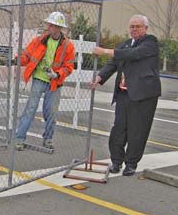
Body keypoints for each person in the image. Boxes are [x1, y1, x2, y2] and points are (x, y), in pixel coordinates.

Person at [90, 14, 161, 176]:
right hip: (124, 94)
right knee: (118, 129)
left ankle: (131, 163)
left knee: (138, 130)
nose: (134, 29)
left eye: (138, 26)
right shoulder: (126, 44)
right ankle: (116, 161)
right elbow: (113, 63)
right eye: (132, 26)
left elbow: (133, 55)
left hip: (143, 96)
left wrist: (105, 51)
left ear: (145, 28)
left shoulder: (150, 42)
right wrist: (100, 78)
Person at [14, 11, 76, 151]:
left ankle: (48, 139)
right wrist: (17, 59)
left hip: (55, 82)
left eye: (53, 25)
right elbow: (27, 55)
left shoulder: (68, 46)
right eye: (49, 24)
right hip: (39, 79)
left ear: (59, 28)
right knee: (30, 109)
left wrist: (57, 74)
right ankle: (19, 138)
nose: (49, 27)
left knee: (51, 112)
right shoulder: (40, 40)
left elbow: (69, 66)